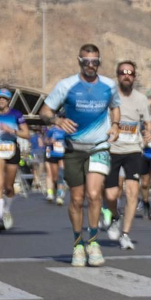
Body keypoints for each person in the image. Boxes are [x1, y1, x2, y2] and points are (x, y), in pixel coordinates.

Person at [39, 43, 116, 267]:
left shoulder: (109, 85)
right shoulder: (66, 85)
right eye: (86, 62)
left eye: (95, 62)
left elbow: (115, 106)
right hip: (73, 149)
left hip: (99, 146)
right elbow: (45, 111)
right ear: (79, 61)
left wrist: (116, 125)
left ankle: (93, 242)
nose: (91, 65)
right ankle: (78, 244)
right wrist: (57, 120)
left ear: (99, 63)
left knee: (94, 194)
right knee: (77, 199)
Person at [104, 61, 151, 250]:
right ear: (117, 75)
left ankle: (125, 234)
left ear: (134, 77)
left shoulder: (141, 99)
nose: (126, 75)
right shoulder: (109, 96)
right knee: (111, 194)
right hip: (112, 149)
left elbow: (148, 122)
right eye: (123, 72)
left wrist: (148, 133)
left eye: (130, 73)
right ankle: (115, 217)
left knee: (132, 192)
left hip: (133, 149)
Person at [0, 87, 29, 232]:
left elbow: (26, 134)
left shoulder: (16, 114)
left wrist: (11, 130)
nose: (1, 100)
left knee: (9, 187)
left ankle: (6, 210)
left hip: (12, 150)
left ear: (8, 101)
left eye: (4, 98)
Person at [44, 120, 68, 205]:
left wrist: (66, 145)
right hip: (53, 154)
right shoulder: (52, 130)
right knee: (54, 177)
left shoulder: (67, 130)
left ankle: (59, 196)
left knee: (60, 175)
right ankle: (50, 192)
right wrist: (50, 141)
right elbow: (45, 140)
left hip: (62, 155)